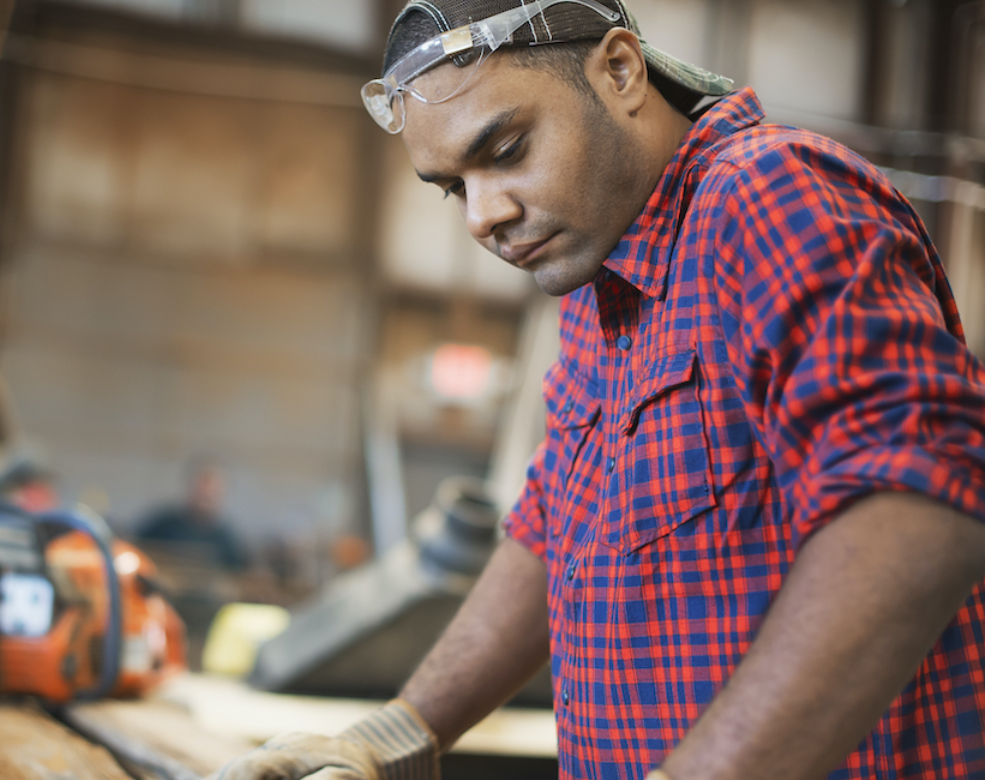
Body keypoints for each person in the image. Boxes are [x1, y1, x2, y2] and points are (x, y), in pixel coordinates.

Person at [211, 1, 985, 779]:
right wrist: (403, 728)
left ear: (619, 70)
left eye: (507, 149)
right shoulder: (602, 281)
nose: (485, 216)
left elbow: (917, 510)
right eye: (453, 187)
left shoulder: (765, 196)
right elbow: (555, 520)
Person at [136, 458, 249, 572]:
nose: (206, 493)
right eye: (202, 485)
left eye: (213, 490)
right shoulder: (162, 526)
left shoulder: (228, 542)